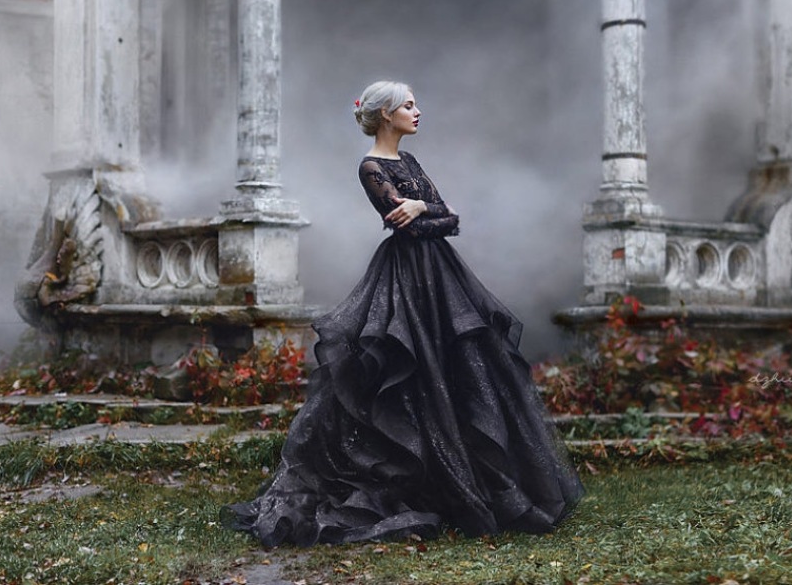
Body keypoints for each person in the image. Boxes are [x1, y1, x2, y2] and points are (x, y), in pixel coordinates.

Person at [222, 80, 583, 548]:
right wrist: (423, 212)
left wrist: (420, 205)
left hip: (442, 276)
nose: (417, 111)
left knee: (460, 367)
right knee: (409, 367)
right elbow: (414, 230)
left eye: (415, 104)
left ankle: (475, 485)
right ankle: (422, 480)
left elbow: (450, 220)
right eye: (408, 105)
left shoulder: (409, 162)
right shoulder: (371, 167)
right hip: (406, 278)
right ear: (385, 114)